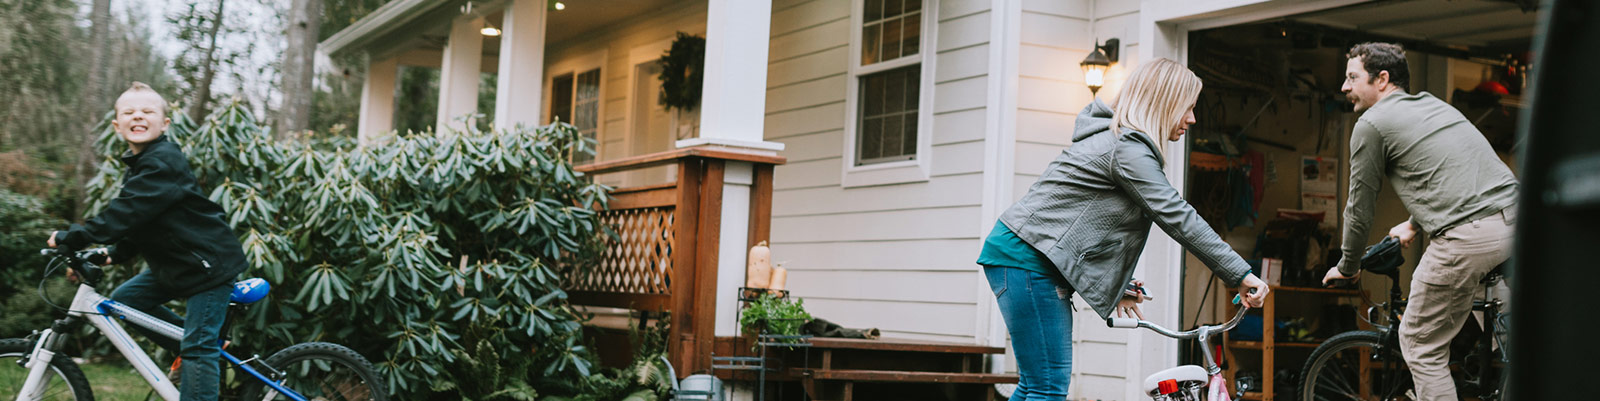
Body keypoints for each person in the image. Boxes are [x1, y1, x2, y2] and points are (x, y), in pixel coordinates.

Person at [978, 58, 1270, 401]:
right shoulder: (1126, 148)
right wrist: (1239, 272)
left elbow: (1079, 230)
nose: (1192, 119)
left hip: (1021, 258)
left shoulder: (1119, 143)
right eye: (1188, 108)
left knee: (1035, 384)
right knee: (1047, 386)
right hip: (1026, 261)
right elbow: (1178, 216)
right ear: (1164, 103)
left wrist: (1118, 285)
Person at [1321, 43, 1518, 401]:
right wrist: (1414, 223)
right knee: (1509, 337)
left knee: (1420, 344)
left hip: (1468, 237)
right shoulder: (1432, 106)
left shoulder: (1371, 124)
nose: (1344, 87)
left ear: (1382, 79)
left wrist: (1348, 266)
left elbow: (1359, 208)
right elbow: (1457, 170)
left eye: (1352, 77)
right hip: (1517, 224)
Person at [48, 82, 249, 401]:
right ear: (117, 125)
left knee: (198, 349)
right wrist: (110, 254)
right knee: (125, 301)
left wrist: (72, 236)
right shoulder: (143, 164)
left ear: (164, 123)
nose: (138, 116)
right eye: (129, 112)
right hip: (180, 264)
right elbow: (143, 221)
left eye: (147, 111)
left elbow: (124, 214)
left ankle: (200, 348)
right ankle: (200, 344)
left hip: (207, 267)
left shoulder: (162, 161)